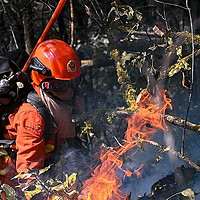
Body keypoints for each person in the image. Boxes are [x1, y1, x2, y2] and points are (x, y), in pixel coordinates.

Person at [0, 39, 85, 190]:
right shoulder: (32, 117)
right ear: (45, 84)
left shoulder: (67, 99)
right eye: (61, 85)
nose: (69, 91)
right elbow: (28, 178)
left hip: (48, 166)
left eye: (73, 82)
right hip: (11, 179)